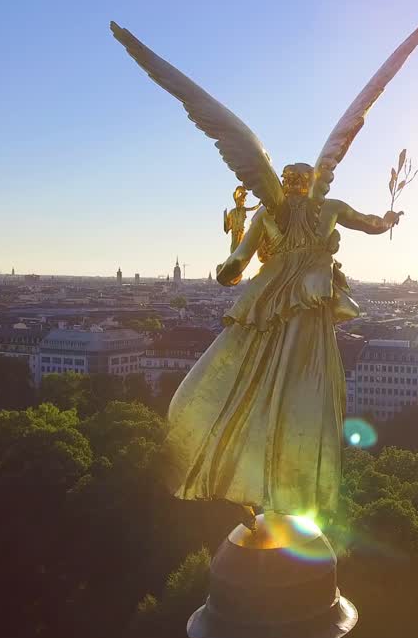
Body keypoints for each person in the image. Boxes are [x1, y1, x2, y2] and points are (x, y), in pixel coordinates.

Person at [163, 163, 400, 517]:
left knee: (253, 387)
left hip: (269, 308)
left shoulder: (267, 215)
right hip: (311, 309)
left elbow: (234, 267)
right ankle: (292, 488)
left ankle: (250, 477)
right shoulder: (330, 208)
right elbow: (372, 224)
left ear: (282, 184)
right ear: (312, 183)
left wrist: (231, 248)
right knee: (306, 394)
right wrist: (390, 219)